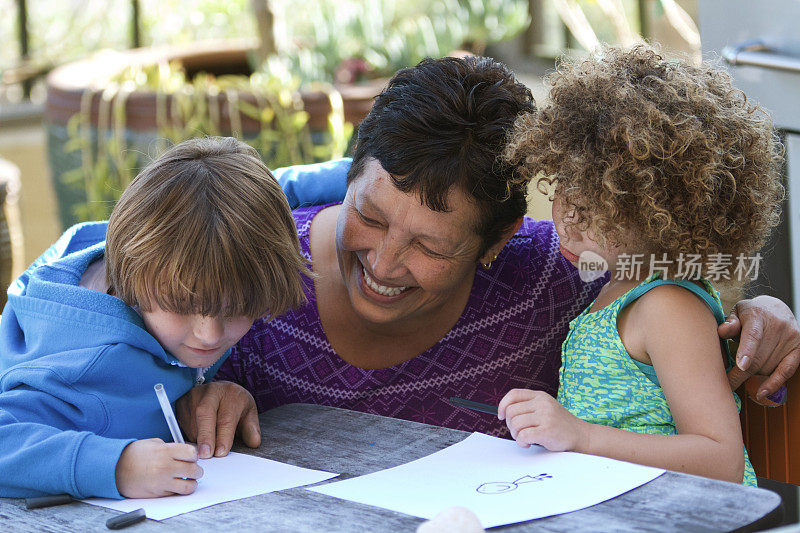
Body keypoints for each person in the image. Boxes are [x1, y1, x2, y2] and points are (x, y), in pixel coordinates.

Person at [177, 56, 800, 461]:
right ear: (346, 177)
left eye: (431, 246)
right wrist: (200, 393)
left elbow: (664, 276)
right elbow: (115, 329)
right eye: (370, 214)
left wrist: (757, 311)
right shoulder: (251, 266)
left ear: (496, 243)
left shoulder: (550, 275)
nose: (386, 263)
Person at [497, 46, 783, 485]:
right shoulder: (616, 286)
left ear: (663, 216)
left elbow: (720, 460)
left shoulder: (667, 306)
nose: (568, 224)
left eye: (595, 211)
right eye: (566, 194)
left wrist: (580, 435)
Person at [0, 137, 309, 499]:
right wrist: (118, 466)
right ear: (135, 274)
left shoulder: (160, 253)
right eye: (181, 305)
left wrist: (201, 395)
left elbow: (274, 189)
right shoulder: (88, 367)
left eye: (236, 309)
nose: (209, 335)